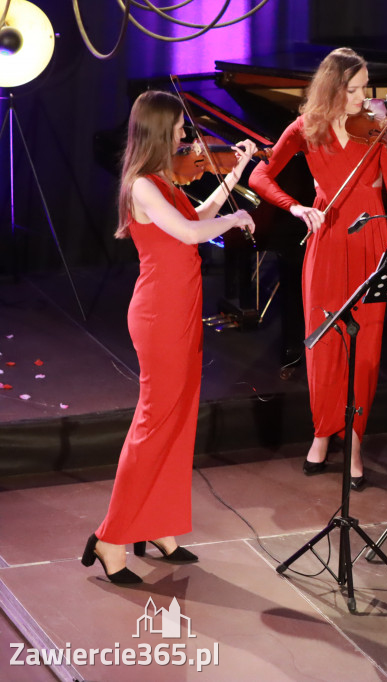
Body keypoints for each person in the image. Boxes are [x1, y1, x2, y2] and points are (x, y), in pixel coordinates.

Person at [82, 90, 257, 584]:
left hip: (182, 311)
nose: (186, 133)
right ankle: (111, 538)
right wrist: (235, 218)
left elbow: (195, 218)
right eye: (180, 127)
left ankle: (157, 525)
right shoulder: (141, 185)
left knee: (178, 421)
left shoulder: (164, 180)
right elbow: (189, 233)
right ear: (161, 130)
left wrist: (234, 178)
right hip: (159, 316)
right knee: (154, 425)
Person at [249, 48, 387, 488]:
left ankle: (353, 441)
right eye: (353, 89)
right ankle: (322, 432)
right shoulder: (306, 128)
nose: (363, 98)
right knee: (322, 346)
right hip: (327, 241)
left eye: (365, 88)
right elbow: (260, 176)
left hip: (371, 242)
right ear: (333, 89)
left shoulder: (378, 131)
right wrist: (295, 207)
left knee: (365, 350)